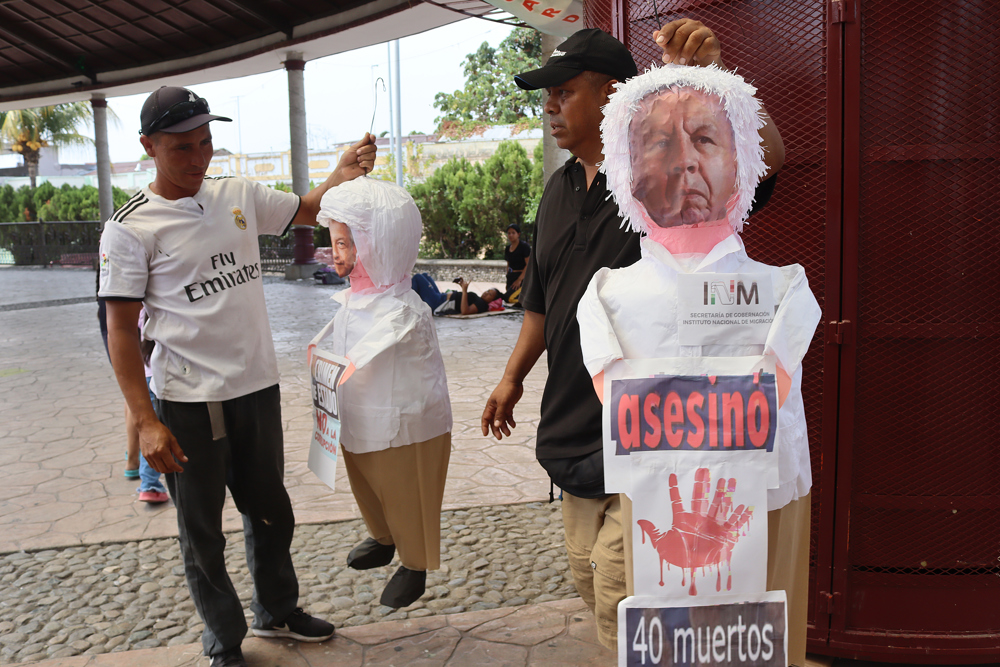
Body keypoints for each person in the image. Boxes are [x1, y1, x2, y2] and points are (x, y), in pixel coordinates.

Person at [480, 21, 784, 650]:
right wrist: (511, 379)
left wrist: (709, 83)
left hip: (648, 442)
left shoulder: (661, 180)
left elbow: (768, 159)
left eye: (563, 91)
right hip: (569, 437)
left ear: (612, 92)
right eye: (547, 94)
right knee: (597, 596)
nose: (549, 106)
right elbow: (539, 303)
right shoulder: (557, 191)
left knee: (630, 615)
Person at [98, 85, 376, 667]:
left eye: (206, 143)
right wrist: (145, 421)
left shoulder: (238, 196)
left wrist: (342, 172)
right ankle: (223, 640)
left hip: (255, 388)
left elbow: (307, 208)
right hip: (187, 402)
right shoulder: (130, 228)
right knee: (202, 531)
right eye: (181, 148)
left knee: (271, 510)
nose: (198, 158)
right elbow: (120, 329)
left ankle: (276, 611)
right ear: (148, 146)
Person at [578, 63, 819, 667]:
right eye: (657, 142)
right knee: (667, 640)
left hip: (765, 496)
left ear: (742, 163)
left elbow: (779, 369)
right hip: (655, 494)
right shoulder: (605, 294)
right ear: (626, 170)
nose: (683, 161)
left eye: (706, 138)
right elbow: (606, 372)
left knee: (762, 633)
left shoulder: (785, 289)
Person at [311, 177, 452, 609]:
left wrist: (345, 363)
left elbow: (385, 336)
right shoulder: (353, 299)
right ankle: (383, 536)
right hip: (355, 414)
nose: (335, 252)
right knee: (366, 479)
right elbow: (335, 336)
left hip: (402, 421)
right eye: (334, 241)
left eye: (344, 242)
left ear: (375, 243)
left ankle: (415, 562)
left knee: (406, 487)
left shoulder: (403, 305)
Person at [411, 273, 502, 315]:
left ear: (492, 300)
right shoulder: (479, 298)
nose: (486, 293)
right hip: (441, 297)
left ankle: (408, 304)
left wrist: (464, 291)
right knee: (425, 275)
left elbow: (465, 311)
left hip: (438, 303)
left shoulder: (482, 304)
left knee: (418, 277)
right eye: (487, 291)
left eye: (490, 295)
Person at [503, 223, 530, 302]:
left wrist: (519, 279)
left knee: (509, 298)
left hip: (522, 277)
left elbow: (528, 265)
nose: (511, 235)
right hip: (511, 276)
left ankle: (527, 301)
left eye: (513, 233)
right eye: (509, 233)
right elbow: (508, 264)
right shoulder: (507, 248)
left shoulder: (524, 246)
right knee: (506, 296)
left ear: (518, 234)